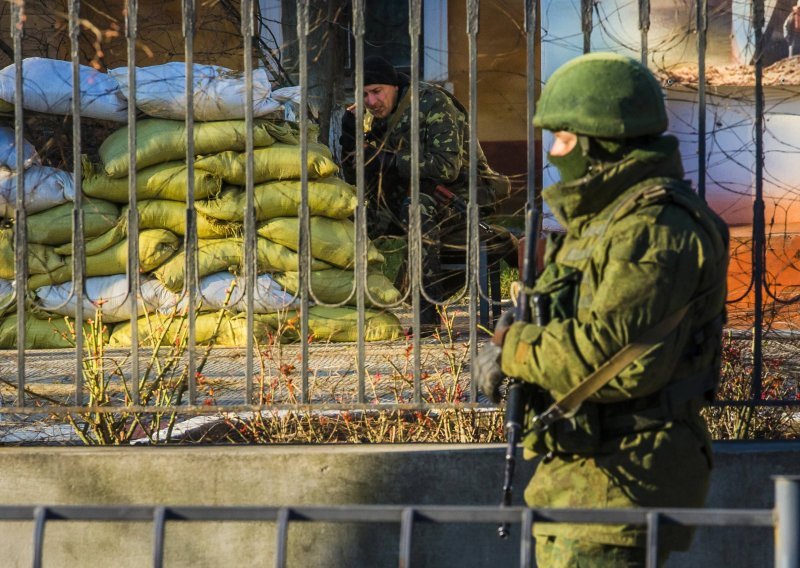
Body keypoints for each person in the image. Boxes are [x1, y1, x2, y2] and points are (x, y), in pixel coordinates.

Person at [474, 52, 729, 566]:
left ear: (603, 144)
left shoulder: (654, 230)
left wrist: (513, 349)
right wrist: (523, 325)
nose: (553, 152)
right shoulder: (606, 223)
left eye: (565, 139)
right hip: (582, 473)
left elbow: (612, 356)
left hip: (624, 482)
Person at [339, 56, 509, 336]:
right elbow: (359, 179)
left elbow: (446, 168)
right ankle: (345, 309)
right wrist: (349, 137)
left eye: (376, 92)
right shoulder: (374, 117)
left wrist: (391, 160)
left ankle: (426, 315)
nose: (371, 101)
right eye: (364, 94)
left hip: (462, 194)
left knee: (418, 209)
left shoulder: (432, 103)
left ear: (393, 86)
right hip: (411, 195)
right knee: (352, 221)